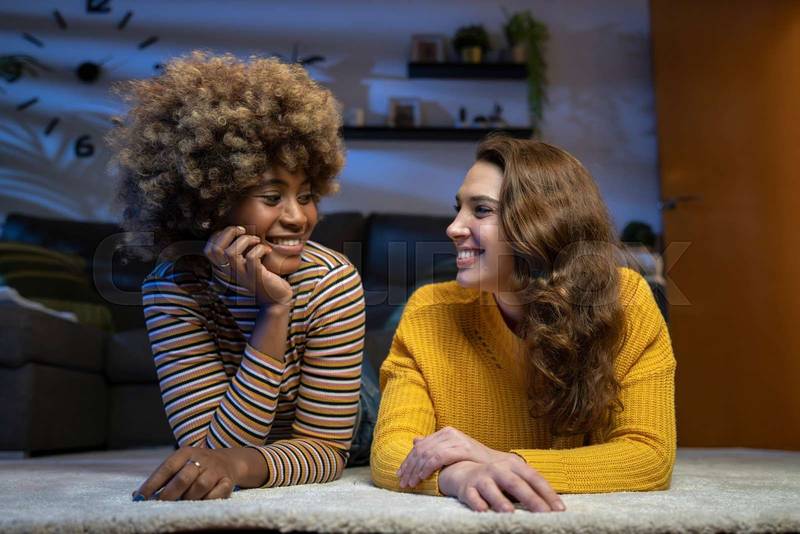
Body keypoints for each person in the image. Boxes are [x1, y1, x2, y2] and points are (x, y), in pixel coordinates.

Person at [110, 52, 369, 501]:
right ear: (212, 202)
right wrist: (273, 313)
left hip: (358, 418)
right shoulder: (172, 289)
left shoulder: (333, 279)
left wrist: (280, 304)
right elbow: (210, 454)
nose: (298, 217)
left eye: (307, 195)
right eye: (272, 196)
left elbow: (326, 451)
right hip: (265, 432)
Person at [370, 136, 676, 513]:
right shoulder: (428, 310)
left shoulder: (627, 300)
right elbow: (392, 450)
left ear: (543, 224)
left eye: (480, 210)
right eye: (458, 209)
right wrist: (459, 476)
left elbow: (648, 455)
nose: (453, 227)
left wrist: (499, 460)